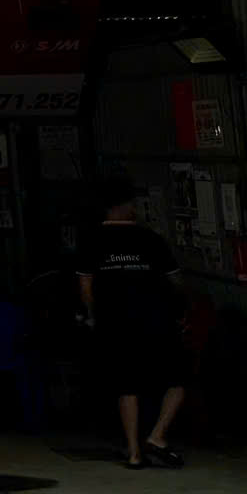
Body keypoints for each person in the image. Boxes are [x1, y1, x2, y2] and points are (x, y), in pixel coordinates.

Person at [76, 179, 187, 469]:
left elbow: (85, 287)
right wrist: (177, 308)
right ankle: (157, 437)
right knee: (177, 381)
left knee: (127, 386)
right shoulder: (151, 238)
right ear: (125, 206)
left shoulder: (91, 240)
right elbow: (176, 282)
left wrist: (94, 316)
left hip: (115, 322)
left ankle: (135, 454)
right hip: (156, 319)